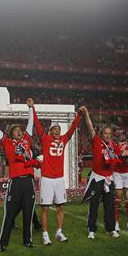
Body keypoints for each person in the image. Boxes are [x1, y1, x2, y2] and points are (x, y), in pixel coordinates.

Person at [32, 99, 84, 245]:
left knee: (61, 207)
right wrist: (32, 108)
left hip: (59, 179)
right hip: (47, 179)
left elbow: (73, 128)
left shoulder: (63, 139)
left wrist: (79, 115)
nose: (58, 130)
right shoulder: (45, 139)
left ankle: (59, 232)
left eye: (59, 129)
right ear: (50, 131)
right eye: (55, 129)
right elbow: (37, 125)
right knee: (45, 208)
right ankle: (45, 234)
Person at [83, 108, 128, 239]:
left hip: (109, 179)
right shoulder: (96, 141)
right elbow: (90, 128)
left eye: (109, 134)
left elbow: (124, 153)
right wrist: (86, 114)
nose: (107, 136)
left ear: (111, 135)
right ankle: (92, 230)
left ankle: (111, 229)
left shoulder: (113, 145)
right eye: (105, 133)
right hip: (97, 178)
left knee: (110, 205)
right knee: (94, 205)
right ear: (101, 134)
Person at [0, 98, 36, 251]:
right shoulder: (7, 143)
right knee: (10, 214)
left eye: (20, 130)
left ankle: (27, 240)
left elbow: (31, 123)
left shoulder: (26, 140)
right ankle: (3, 244)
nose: (19, 131)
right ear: (11, 135)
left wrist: (30, 108)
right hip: (15, 182)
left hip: (28, 181)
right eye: (16, 131)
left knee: (29, 212)